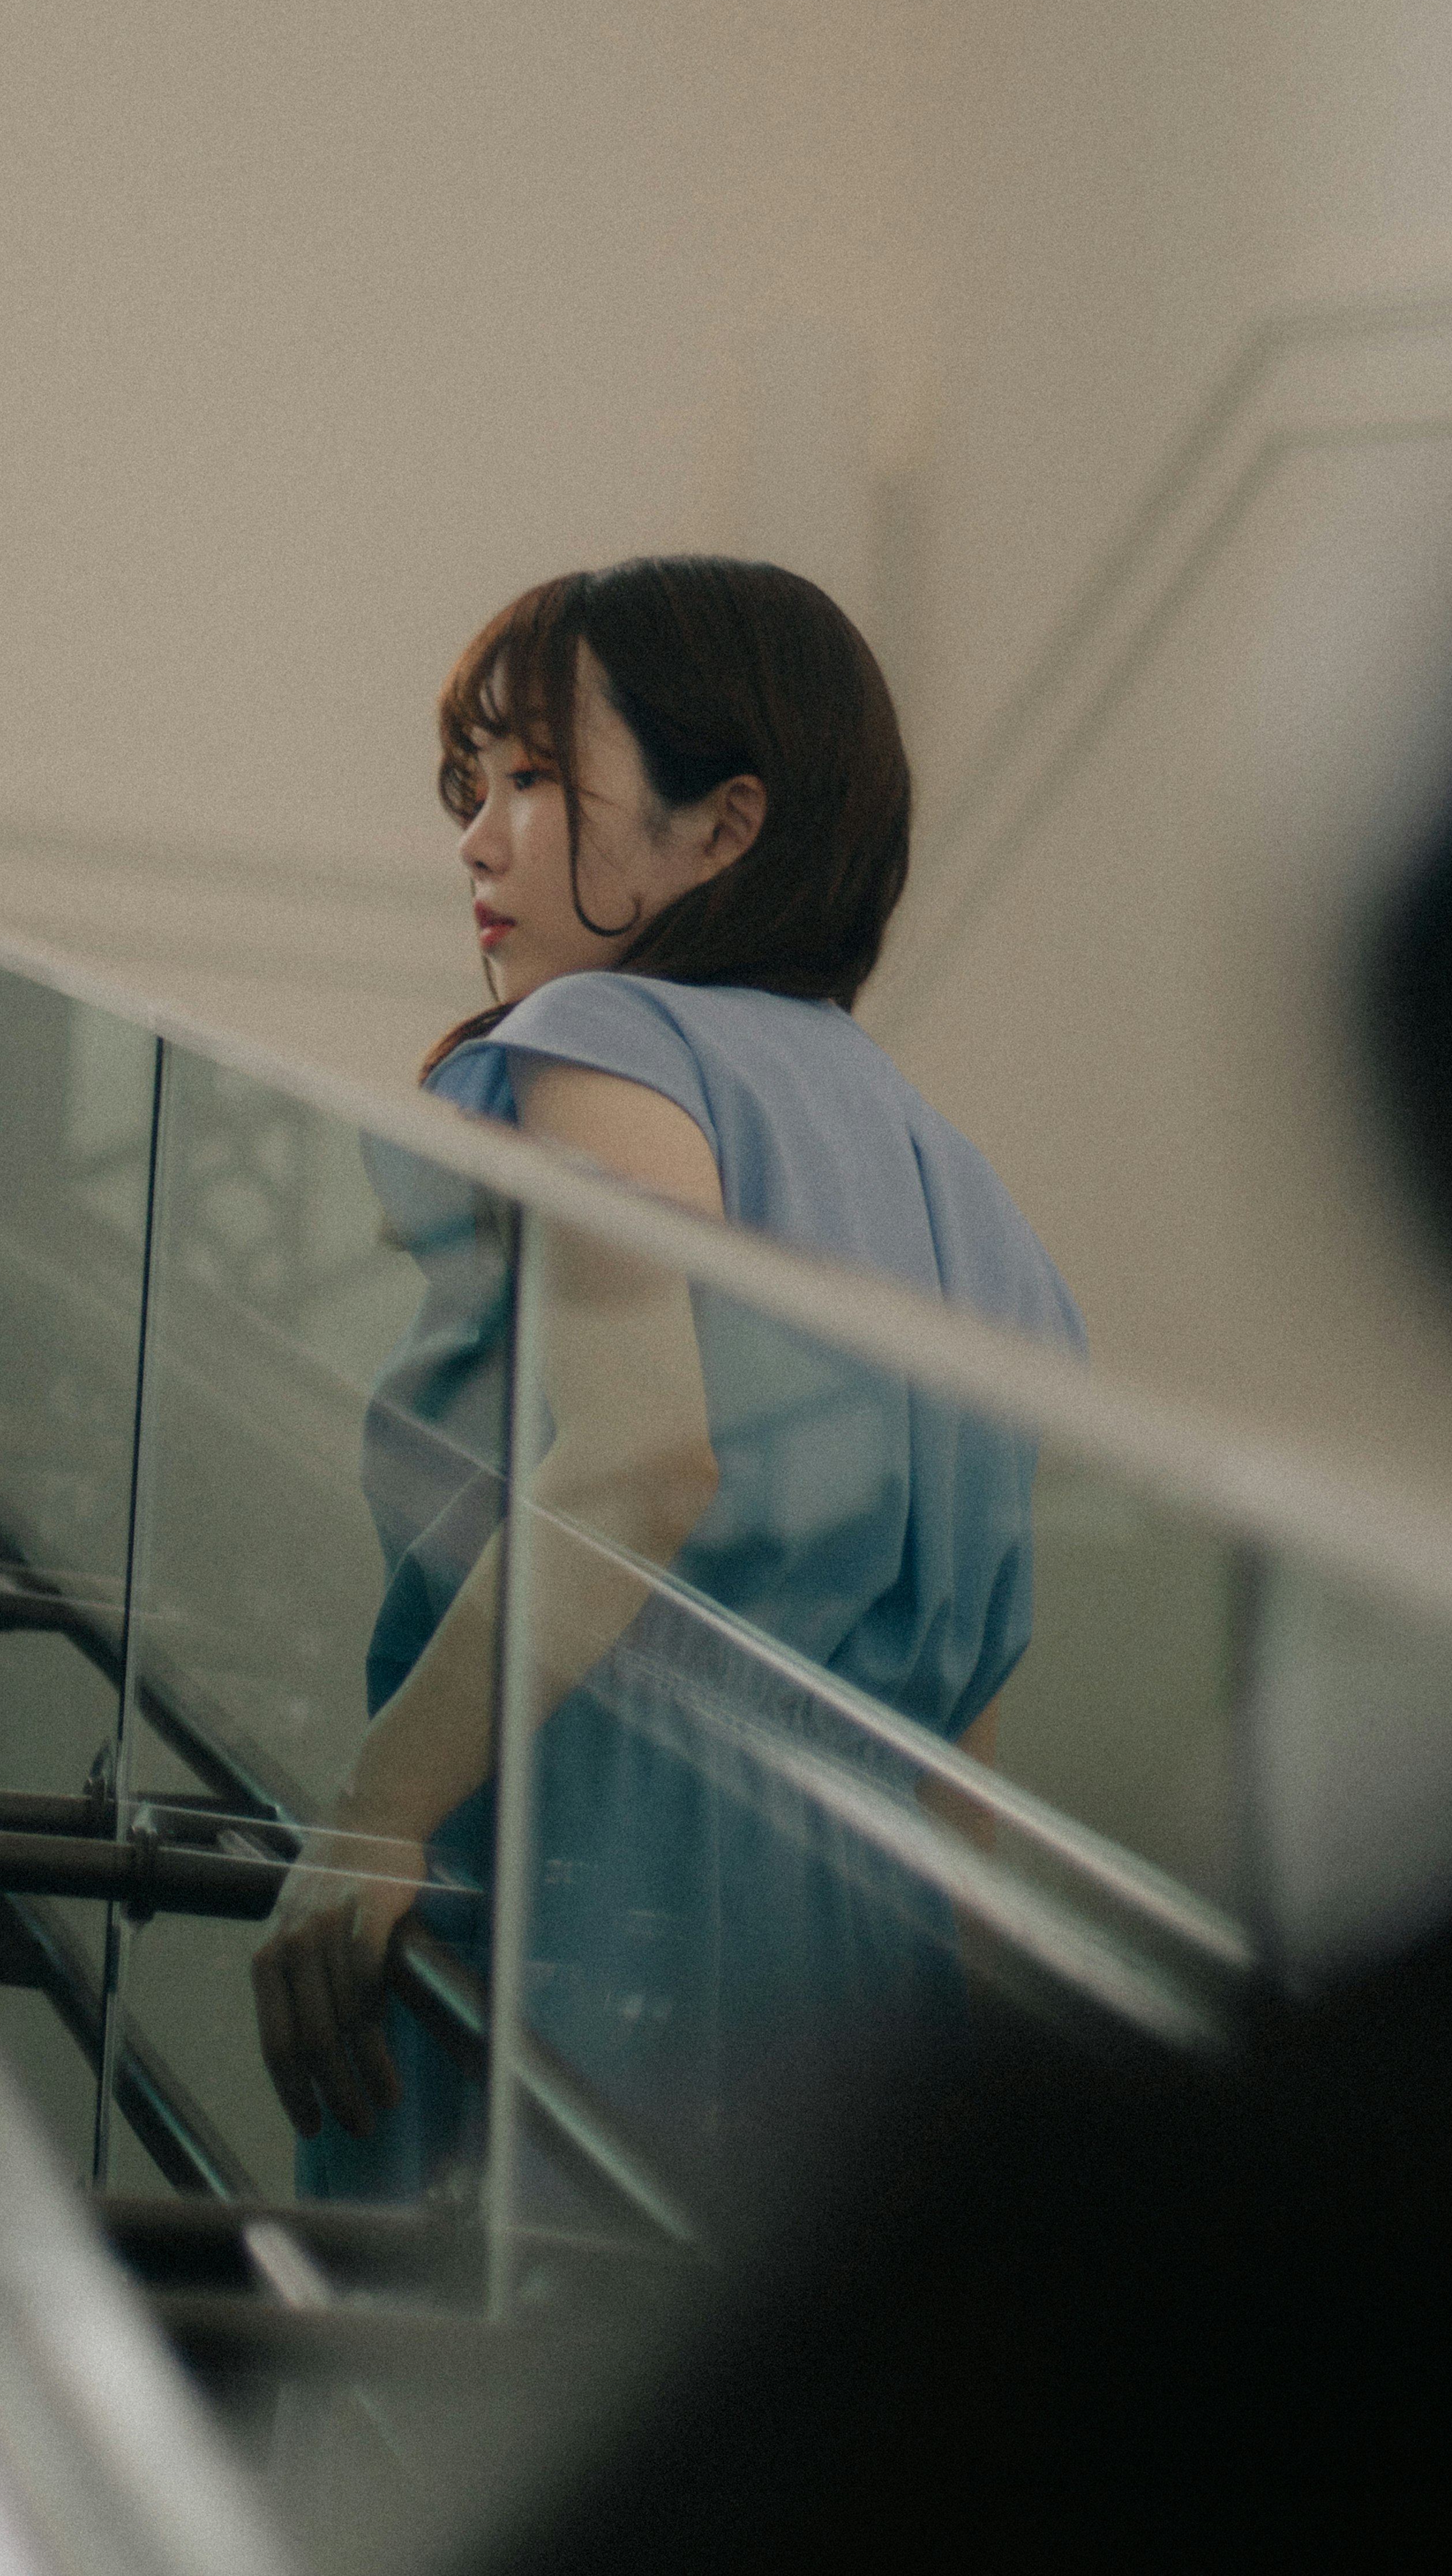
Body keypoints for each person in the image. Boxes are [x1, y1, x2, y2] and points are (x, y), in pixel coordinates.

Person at [249, 557, 1083, 2192]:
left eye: (542, 780)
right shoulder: (966, 1190)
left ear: (727, 828)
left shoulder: (605, 1047)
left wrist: (370, 1815)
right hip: (858, 1985)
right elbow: (964, 1723)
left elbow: (644, 1462)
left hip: (592, 1905)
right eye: (471, 785)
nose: (478, 839)